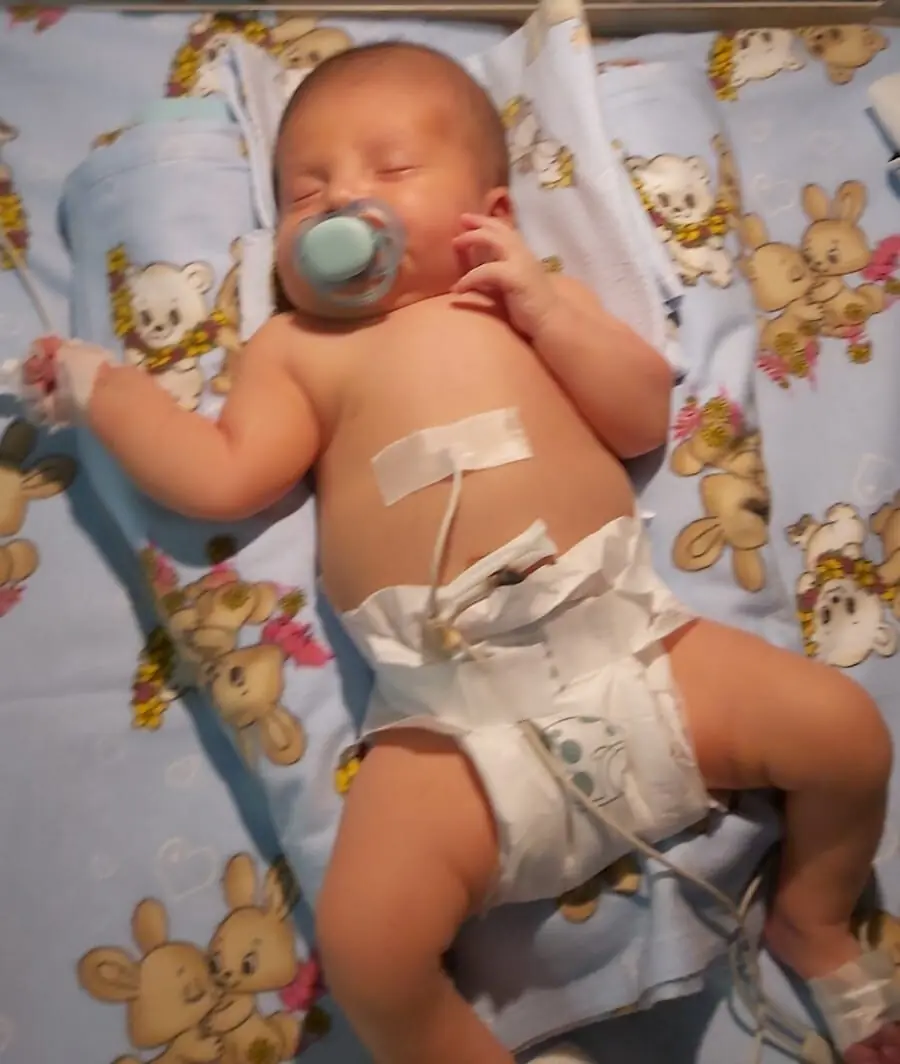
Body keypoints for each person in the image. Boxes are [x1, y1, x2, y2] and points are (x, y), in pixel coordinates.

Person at [27, 41, 900, 1064]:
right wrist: (104, 391)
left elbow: (638, 420)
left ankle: (812, 915)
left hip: (634, 648)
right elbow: (221, 476)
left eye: (392, 168)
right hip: (449, 720)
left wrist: (548, 311)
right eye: (304, 192)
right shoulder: (295, 351)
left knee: (844, 734)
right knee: (367, 951)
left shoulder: (528, 303)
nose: (341, 200)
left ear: (492, 212)